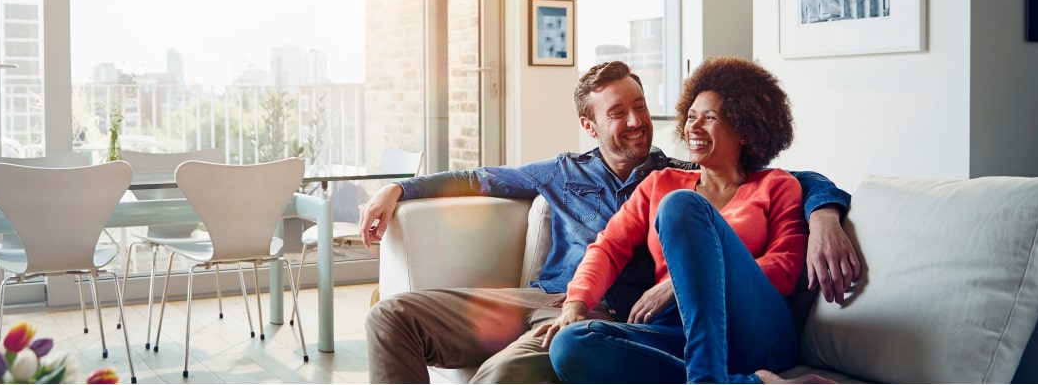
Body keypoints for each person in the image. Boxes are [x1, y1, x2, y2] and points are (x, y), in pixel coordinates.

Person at [361, 60, 859, 383]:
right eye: (618, 112)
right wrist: (399, 188)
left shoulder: (679, 175)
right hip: (550, 298)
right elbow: (482, 178)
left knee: (502, 376)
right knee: (389, 316)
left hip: (623, 311)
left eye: (640, 106)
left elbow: (795, 180)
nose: (637, 121)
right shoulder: (572, 174)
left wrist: (827, 212)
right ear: (590, 124)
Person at [539, 56, 831, 383]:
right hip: (679, 332)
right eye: (691, 116)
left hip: (754, 333)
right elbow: (608, 248)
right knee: (572, 345)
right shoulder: (660, 182)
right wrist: (575, 305)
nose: (693, 126)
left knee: (681, 206)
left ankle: (706, 379)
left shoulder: (776, 186)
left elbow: (784, 267)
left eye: (709, 118)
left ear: (744, 129)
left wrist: (677, 286)